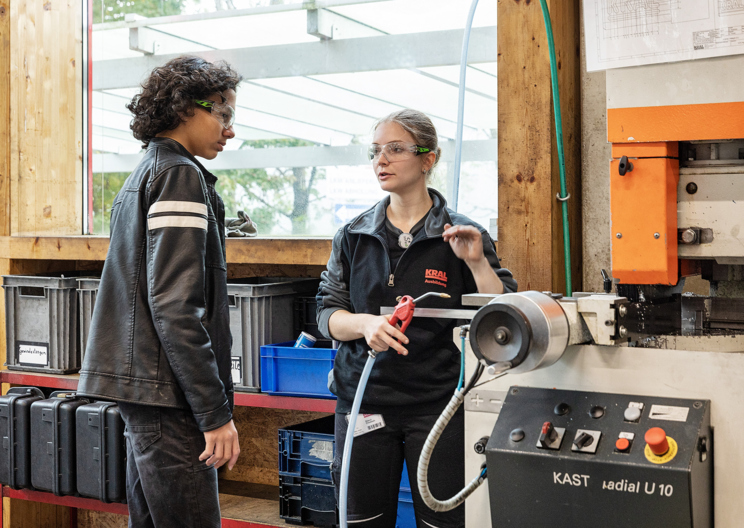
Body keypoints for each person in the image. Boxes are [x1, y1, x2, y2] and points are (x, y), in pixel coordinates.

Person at [316, 109, 517, 528]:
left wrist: (477, 262)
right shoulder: (353, 235)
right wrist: (364, 324)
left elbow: (502, 315)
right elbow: (326, 314)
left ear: (429, 159)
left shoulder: (462, 234)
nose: (380, 161)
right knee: (361, 520)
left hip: (438, 405)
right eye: (375, 151)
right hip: (363, 402)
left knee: (441, 521)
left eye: (394, 149)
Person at [77, 56, 242, 528]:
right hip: (168, 392)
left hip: (150, 389)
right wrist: (214, 413)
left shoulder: (148, 171)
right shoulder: (178, 176)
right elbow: (175, 305)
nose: (229, 130)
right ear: (185, 107)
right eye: (224, 113)